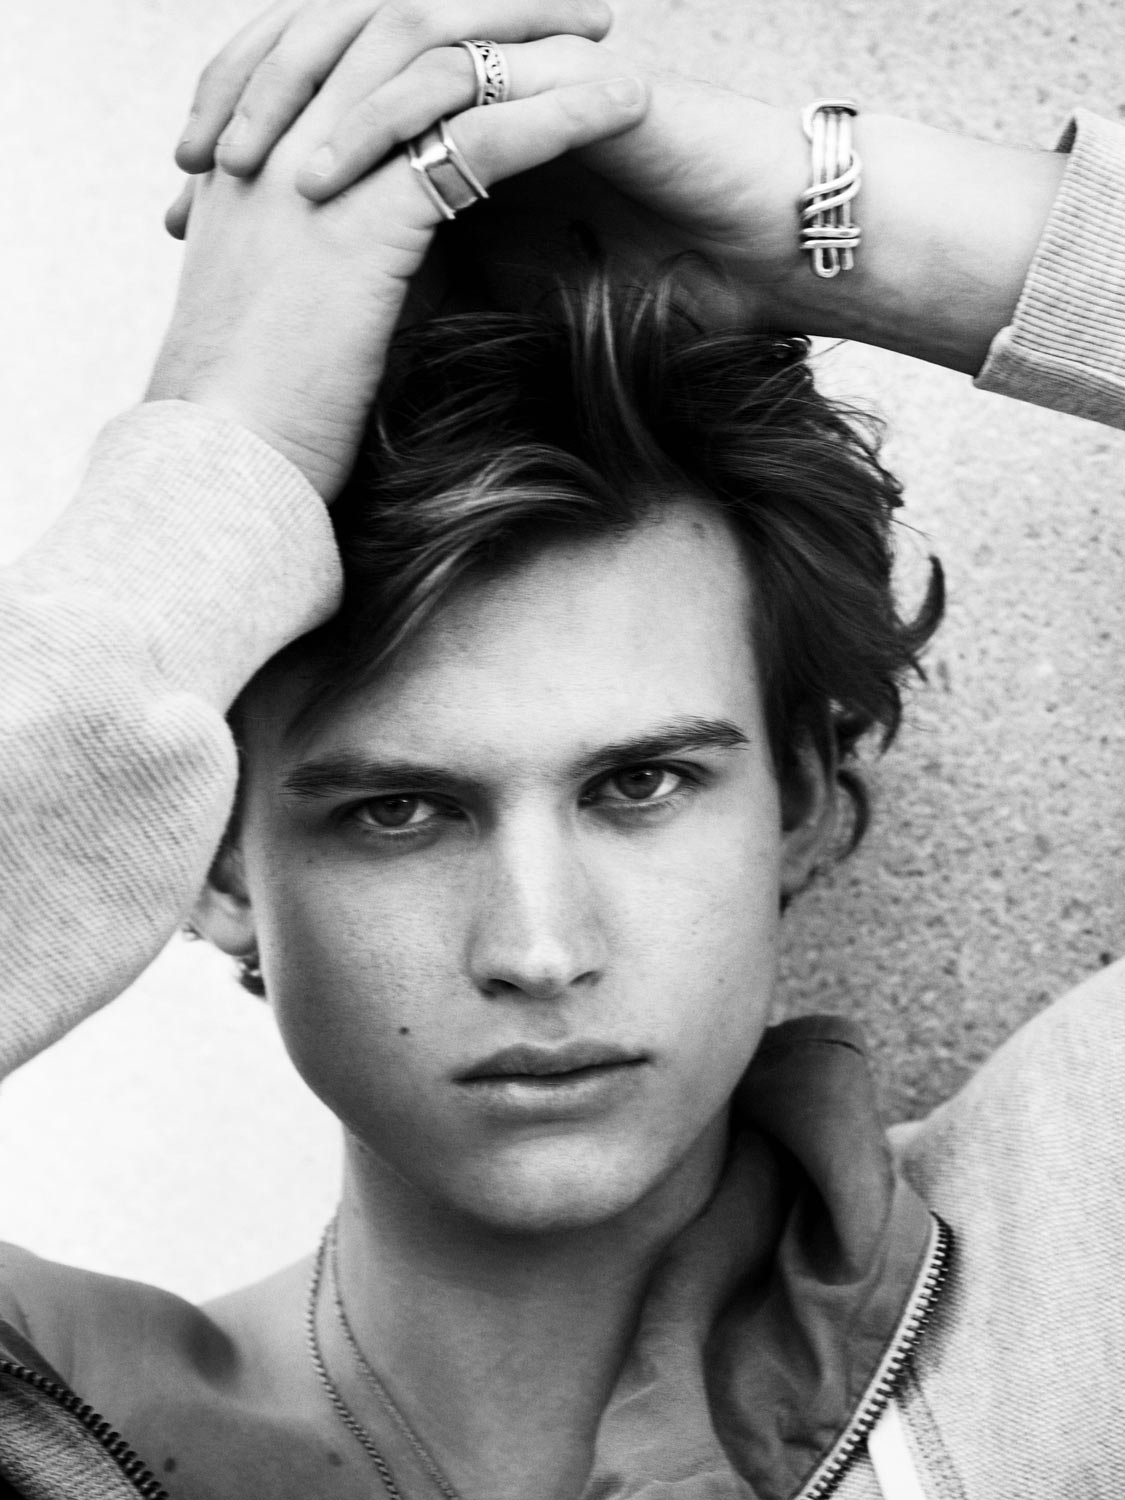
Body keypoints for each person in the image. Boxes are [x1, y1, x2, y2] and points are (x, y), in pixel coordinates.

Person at [1, 4, 1123, 1498]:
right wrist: (218, 458)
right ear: (211, 866)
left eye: (639, 784)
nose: (538, 950)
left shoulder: (1080, 1262)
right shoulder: (53, 1430)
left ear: (795, 794)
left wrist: (840, 232)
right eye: (402, 812)